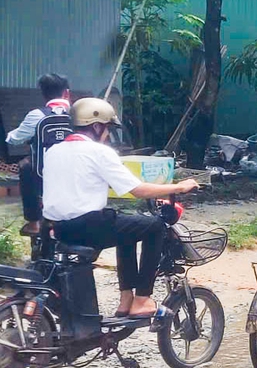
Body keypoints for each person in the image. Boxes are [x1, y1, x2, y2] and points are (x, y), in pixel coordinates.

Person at [42, 98, 197, 319]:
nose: (107, 136)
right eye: (106, 130)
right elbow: (137, 190)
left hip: (59, 229)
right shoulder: (98, 152)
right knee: (154, 226)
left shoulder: (54, 151)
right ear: (96, 126)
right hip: (89, 228)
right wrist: (180, 187)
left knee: (127, 227)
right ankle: (142, 299)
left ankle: (126, 299)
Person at [6, 72, 71, 236]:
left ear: (43, 94)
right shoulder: (78, 114)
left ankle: (33, 222)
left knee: (25, 166)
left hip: (44, 176)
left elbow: (14, 139)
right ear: (67, 93)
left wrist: (12, 135)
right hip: (74, 173)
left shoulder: (37, 115)